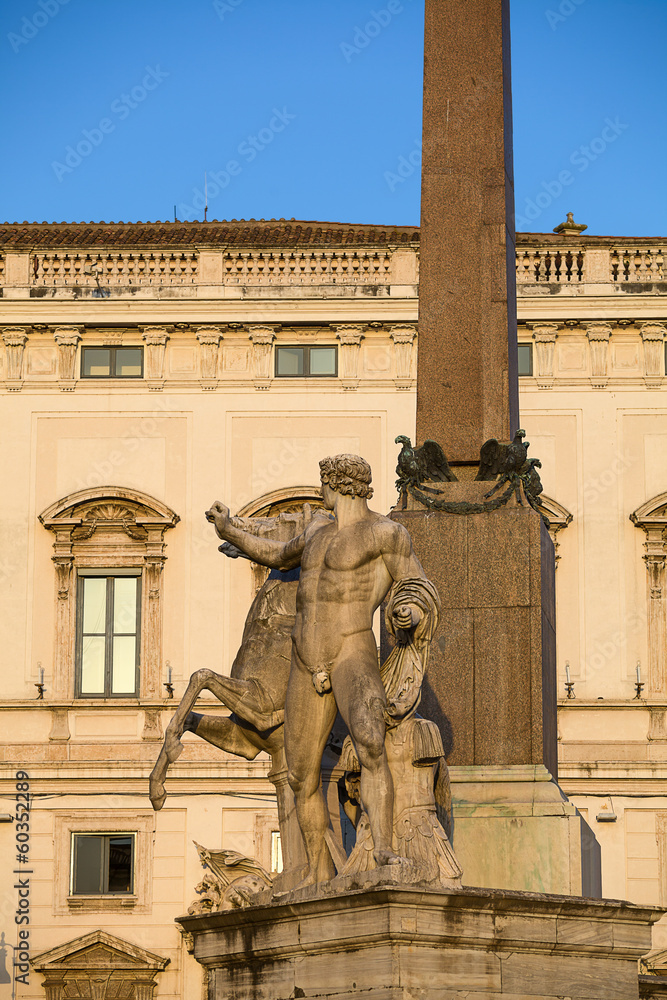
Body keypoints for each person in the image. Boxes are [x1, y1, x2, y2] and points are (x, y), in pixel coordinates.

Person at [206, 453, 428, 886]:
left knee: (370, 745)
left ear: (337, 484)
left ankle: (383, 848)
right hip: (305, 657)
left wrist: (410, 611)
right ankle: (315, 870)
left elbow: (415, 582)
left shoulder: (386, 533)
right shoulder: (315, 532)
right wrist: (228, 527)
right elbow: (275, 554)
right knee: (299, 773)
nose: (320, 491)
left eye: (323, 483)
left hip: (351, 649)